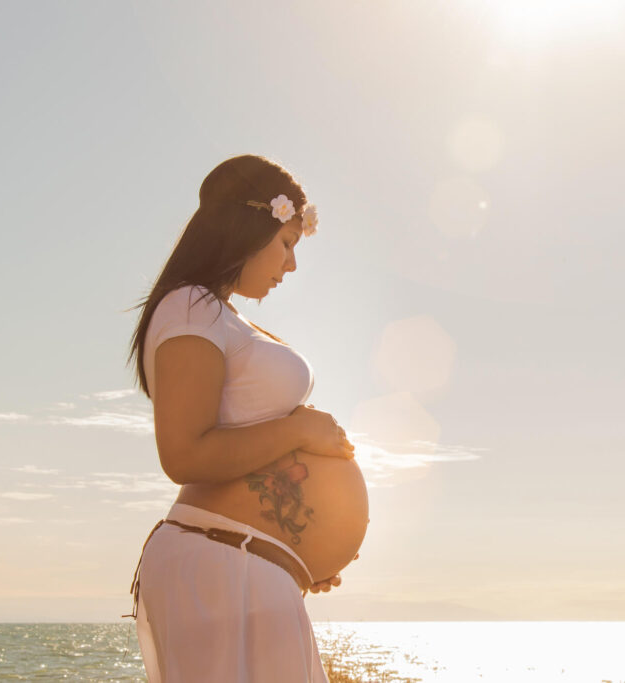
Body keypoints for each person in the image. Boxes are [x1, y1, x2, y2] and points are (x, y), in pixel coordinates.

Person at [123, 154, 368, 682]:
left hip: (244, 563)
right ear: (246, 228)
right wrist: (300, 429)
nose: (291, 265)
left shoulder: (220, 316)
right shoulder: (191, 307)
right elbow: (184, 453)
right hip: (218, 562)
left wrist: (300, 549)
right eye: (285, 244)